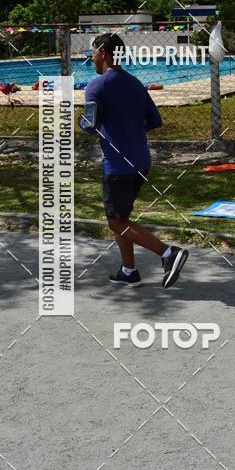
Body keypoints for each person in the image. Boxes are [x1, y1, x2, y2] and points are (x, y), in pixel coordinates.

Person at [79, 32, 188, 288]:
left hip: (117, 164)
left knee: (115, 221)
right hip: (141, 160)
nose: (91, 57)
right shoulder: (135, 83)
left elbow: (89, 123)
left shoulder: (97, 85)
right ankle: (129, 271)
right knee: (123, 218)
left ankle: (168, 253)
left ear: (103, 52)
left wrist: (81, 121)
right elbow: (155, 120)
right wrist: (130, 129)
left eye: (92, 51)